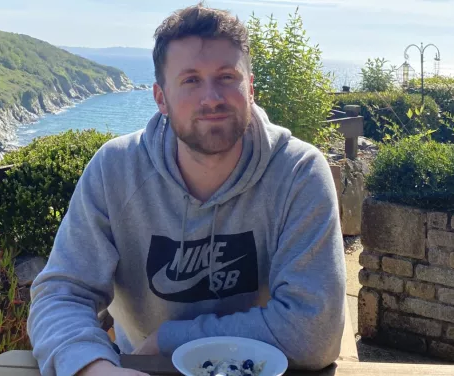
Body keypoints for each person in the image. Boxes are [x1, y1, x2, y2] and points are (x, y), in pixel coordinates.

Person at [27, 3, 347, 376]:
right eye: (191, 80)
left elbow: (314, 333)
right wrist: (95, 368)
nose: (211, 97)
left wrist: (169, 340)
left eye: (227, 77)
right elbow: (62, 294)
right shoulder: (115, 170)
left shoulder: (298, 172)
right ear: (161, 98)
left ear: (251, 88)